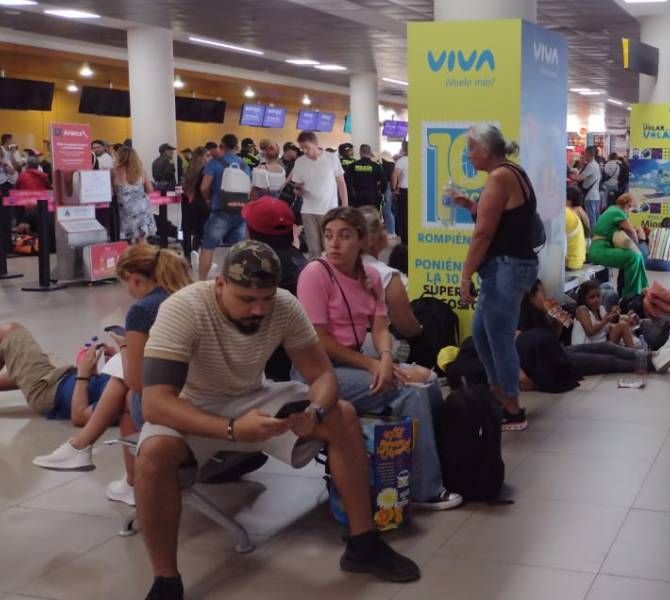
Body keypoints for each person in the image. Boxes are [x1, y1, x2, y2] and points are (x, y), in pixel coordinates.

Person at [134, 241, 423, 598]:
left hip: (253, 396)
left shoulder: (283, 306)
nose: (258, 309)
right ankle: (166, 581)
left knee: (342, 415)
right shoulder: (184, 308)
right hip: (194, 405)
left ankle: (363, 544)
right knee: (153, 453)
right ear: (220, 285)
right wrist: (232, 430)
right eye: (246, 299)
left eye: (265, 299)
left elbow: (322, 376)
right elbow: (156, 403)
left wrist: (314, 411)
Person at [294, 208, 460, 510]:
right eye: (329, 236)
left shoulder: (370, 275)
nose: (334, 244)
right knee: (411, 391)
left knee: (430, 379)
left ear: (361, 240)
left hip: (353, 365)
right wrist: (374, 365)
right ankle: (425, 490)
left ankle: (437, 468)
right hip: (318, 374)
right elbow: (320, 341)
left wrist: (384, 357)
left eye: (344, 236)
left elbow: (381, 327)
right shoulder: (315, 274)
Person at [33, 246, 192, 506]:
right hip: (201, 389)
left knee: (126, 387)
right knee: (123, 383)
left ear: (134, 277)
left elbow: (138, 382)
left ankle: (109, 467)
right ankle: (83, 451)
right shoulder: (187, 295)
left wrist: (126, 346)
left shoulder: (144, 309)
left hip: (171, 402)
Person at [455, 124, 541, 432]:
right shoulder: (512, 172)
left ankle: (512, 409)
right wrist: (469, 205)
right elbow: (503, 218)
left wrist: (465, 276)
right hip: (510, 266)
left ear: (485, 150)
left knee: (499, 339)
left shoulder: (499, 177)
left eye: (470, 148)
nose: (468, 154)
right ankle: (500, 393)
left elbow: (484, 233)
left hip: (506, 268)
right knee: (482, 333)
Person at [521, 280, 670, 376]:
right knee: (610, 361)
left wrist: (558, 323)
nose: (546, 296)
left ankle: (654, 354)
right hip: (557, 361)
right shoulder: (522, 326)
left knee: (608, 347)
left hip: (561, 351)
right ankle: (651, 362)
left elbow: (551, 342)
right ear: (531, 297)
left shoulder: (542, 318)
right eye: (542, 293)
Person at [243, 197, 309, 383]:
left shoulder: (252, 269)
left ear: (250, 231)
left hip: (267, 371)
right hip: (303, 359)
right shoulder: (301, 263)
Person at [359, 206, 423, 357]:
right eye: (383, 228)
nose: (386, 233)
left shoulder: (332, 269)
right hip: (376, 345)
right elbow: (407, 327)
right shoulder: (388, 276)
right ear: (372, 239)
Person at [198, 134, 252, 280]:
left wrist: (208, 199)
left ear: (222, 146)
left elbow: (204, 187)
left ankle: (202, 281)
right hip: (240, 211)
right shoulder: (244, 165)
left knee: (208, 246)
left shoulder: (214, 163)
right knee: (235, 249)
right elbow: (248, 190)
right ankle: (231, 280)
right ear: (236, 147)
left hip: (220, 211)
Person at [291, 131, 350, 259]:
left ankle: (332, 275)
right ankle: (316, 277)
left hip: (328, 211)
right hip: (308, 211)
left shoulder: (331, 158)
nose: (305, 151)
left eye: (307, 147)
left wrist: (345, 206)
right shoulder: (300, 162)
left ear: (316, 144)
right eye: (302, 148)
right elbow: (297, 186)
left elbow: (341, 182)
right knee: (314, 250)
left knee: (329, 248)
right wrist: (298, 190)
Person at [587, 193, 650, 298]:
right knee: (634, 256)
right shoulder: (618, 212)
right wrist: (637, 246)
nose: (631, 212)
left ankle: (640, 289)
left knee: (636, 256)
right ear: (628, 205)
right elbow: (632, 232)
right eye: (632, 208)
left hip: (598, 249)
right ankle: (630, 294)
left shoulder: (611, 210)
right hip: (600, 250)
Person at [573, 280, 639, 347]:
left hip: (601, 344)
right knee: (623, 326)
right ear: (584, 300)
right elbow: (590, 332)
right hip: (585, 349)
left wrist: (625, 318)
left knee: (623, 325)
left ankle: (634, 354)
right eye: (592, 297)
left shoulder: (600, 309)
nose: (596, 299)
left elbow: (607, 327)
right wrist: (605, 320)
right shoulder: (582, 310)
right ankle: (635, 355)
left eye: (598, 296)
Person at [113, 146, 157, 244]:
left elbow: (112, 192)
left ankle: (131, 258)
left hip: (126, 211)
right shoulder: (141, 171)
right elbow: (150, 189)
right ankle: (145, 258)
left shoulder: (115, 171)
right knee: (142, 238)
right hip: (142, 209)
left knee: (128, 239)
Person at [181, 146, 211, 257]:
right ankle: (195, 252)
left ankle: (187, 254)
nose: (209, 158)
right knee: (200, 231)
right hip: (202, 203)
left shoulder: (188, 168)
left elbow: (184, 186)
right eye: (207, 156)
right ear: (200, 157)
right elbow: (206, 188)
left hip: (188, 202)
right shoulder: (206, 170)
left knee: (186, 230)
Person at [347, 145, 386, 210]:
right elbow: (384, 181)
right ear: (370, 153)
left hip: (357, 195)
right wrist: (381, 192)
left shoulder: (352, 166)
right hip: (372, 195)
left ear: (360, 153)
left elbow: (347, 181)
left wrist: (351, 193)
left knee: (358, 215)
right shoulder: (376, 166)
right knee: (372, 215)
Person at [576, 146, 603, 227]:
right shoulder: (595, 164)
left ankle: (592, 237)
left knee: (591, 219)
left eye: (584, 154)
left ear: (588, 154)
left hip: (590, 196)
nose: (584, 156)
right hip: (595, 195)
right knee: (595, 217)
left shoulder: (590, 166)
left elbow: (579, 178)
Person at [565, 186, 588, 271]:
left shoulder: (566, 212)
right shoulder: (580, 212)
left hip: (570, 262)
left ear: (569, 200)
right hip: (579, 259)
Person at [390, 147, 409, 243]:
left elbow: (394, 175)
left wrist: (394, 189)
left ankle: (405, 240)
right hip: (417, 191)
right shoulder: (418, 159)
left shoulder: (401, 161)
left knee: (403, 216)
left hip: (404, 191)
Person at [379, 150, 397, 235]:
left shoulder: (383, 166)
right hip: (391, 188)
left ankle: (391, 231)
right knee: (389, 210)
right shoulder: (393, 165)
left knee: (387, 210)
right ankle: (391, 230)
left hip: (386, 188)